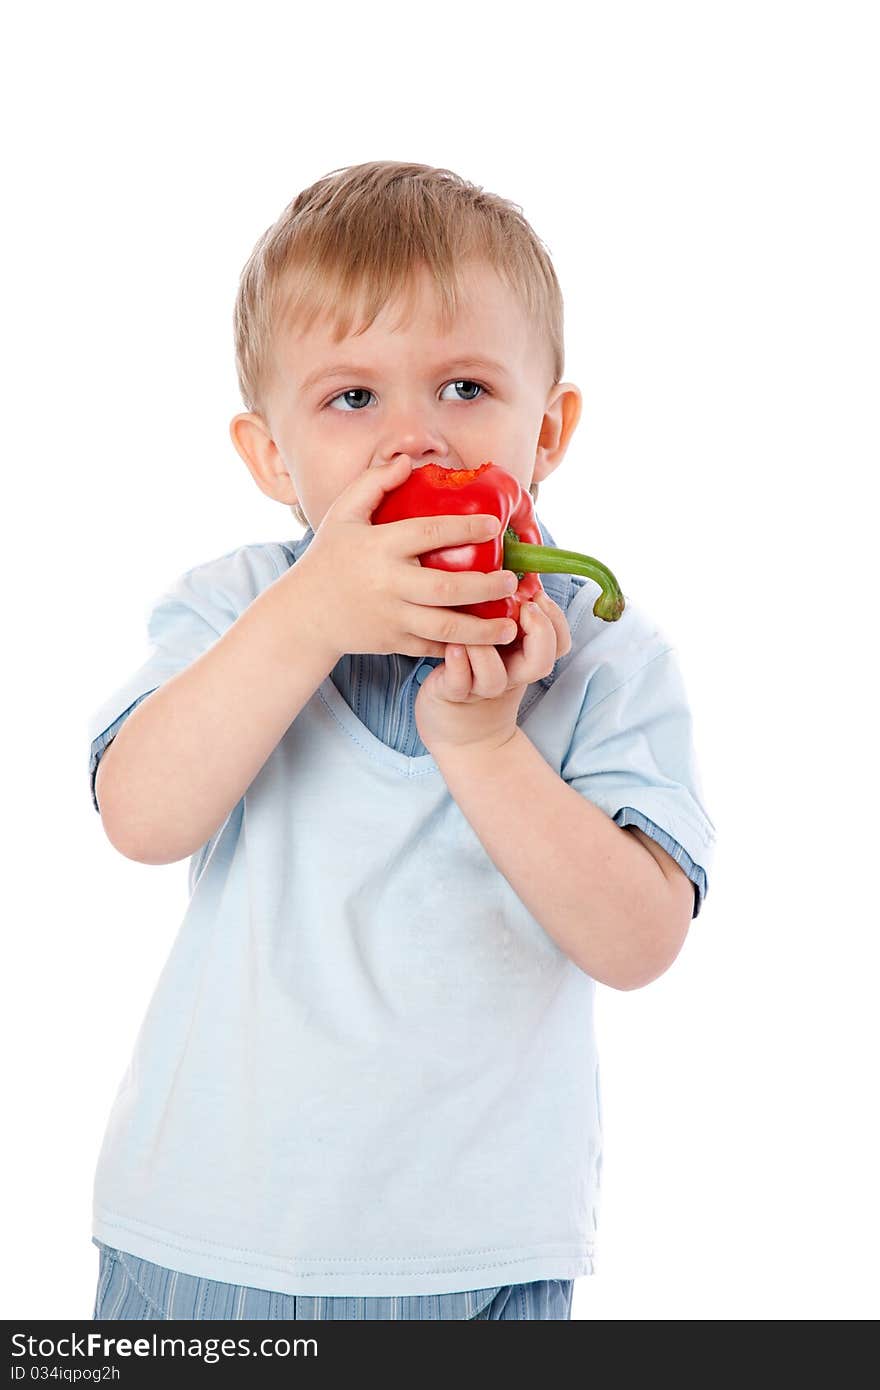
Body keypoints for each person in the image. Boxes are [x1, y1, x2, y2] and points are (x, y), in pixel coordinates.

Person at [87, 160, 716, 1321]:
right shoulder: (237, 609)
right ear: (272, 457)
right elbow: (140, 814)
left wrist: (483, 747)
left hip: (474, 1265)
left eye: (466, 386)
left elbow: (638, 942)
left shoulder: (605, 659)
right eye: (351, 400)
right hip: (205, 1239)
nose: (415, 439)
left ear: (550, 428)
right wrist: (314, 613)